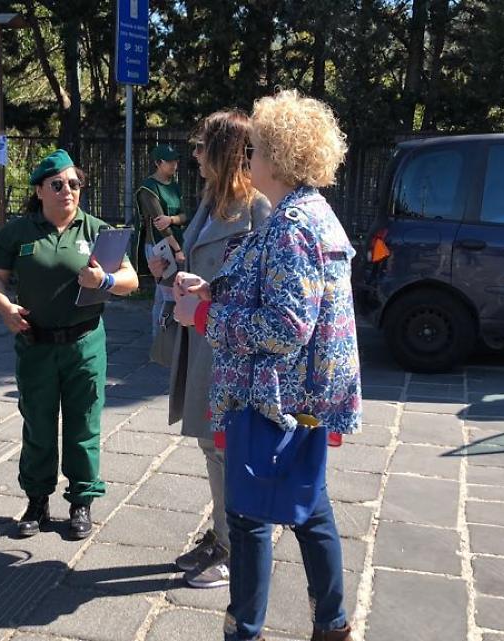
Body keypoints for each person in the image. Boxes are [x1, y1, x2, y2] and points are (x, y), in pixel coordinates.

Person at [172, 90, 359, 641]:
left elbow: (284, 329)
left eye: (253, 149)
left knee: (249, 516)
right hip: (305, 400)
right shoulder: (310, 214)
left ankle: (245, 630)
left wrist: (203, 315)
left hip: (273, 401)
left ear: (277, 158)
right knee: (310, 508)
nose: (246, 159)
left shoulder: (291, 227)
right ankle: (332, 623)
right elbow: (283, 298)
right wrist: (217, 289)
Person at [0, 149, 139, 540]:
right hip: (35, 344)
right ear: (39, 190)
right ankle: (37, 501)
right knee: (37, 423)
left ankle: (81, 501)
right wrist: (3, 307)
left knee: (84, 424)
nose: (67, 191)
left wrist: (102, 282)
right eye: (57, 184)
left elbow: (131, 280)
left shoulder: (98, 231)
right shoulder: (18, 233)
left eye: (74, 184)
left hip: (84, 344)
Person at [148, 111, 270, 589]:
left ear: (224, 151)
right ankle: (222, 534)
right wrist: (169, 269)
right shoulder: (211, 200)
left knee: (225, 447)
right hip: (200, 339)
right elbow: (199, 259)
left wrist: (209, 294)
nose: (193, 155)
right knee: (208, 442)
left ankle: (235, 546)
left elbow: (262, 286)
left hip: (230, 349)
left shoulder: (257, 207)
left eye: (200, 146)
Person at [134, 143, 187, 335]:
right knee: (167, 296)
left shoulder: (174, 186)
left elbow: (183, 216)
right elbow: (160, 224)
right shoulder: (148, 189)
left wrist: (172, 219)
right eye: (169, 161)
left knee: (163, 295)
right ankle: (161, 340)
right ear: (158, 163)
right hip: (160, 247)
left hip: (176, 244)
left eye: (176, 160)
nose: (174, 165)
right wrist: (178, 250)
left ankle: (163, 341)